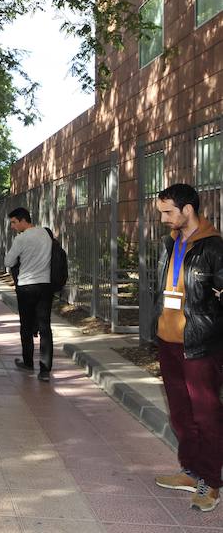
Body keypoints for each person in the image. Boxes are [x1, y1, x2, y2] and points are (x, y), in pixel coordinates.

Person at [151, 184, 223, 512]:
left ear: (188, 210)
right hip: (168, 342)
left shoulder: (213, 247)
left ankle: (210, 481)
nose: (164, 218)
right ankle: (191, 470)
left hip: (200, 344)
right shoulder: (172, 242)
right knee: (180, 414)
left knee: (206, 415)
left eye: (168, 212)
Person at [4, 207, 54, 382]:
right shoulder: (46, 234)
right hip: (45, 285)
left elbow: (8, 261)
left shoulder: (21, 239)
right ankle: (45, 369)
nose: (12, 226)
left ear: (23, 220)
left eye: (14, 222)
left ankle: (27, 362)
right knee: (45, 327)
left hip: (26, 286)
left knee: (26, 326)